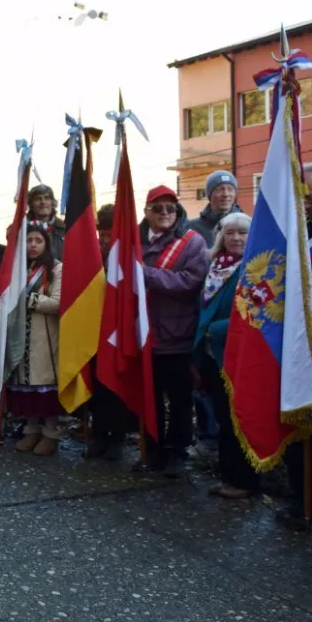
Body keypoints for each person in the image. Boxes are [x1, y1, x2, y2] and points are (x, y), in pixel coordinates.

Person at [139, 185, 208, 477]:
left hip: (177, 332)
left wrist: (147, 273)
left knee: (179, 398)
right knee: (149, 397)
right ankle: (152, 449)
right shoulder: (134, 241)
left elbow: (190, 283)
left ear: (178, 211)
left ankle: (177, 452)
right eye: (158, 208)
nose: (164, 213)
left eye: (170, 208)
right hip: (143, 334)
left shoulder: (192, 242)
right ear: (147, 212)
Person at [192, 212, 258, 500]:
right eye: (230, 233)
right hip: (211, 355)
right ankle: (228, 476)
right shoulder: (215, 266)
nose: (236, 238)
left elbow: (256, 314)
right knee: (222, 417)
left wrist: (215, 330)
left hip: (238, 355)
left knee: (237, 420)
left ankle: (245, 480)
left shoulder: (256, 269)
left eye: (243, 233)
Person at [84, 204, 137, 461]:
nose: (105, 240)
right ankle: (99, 434)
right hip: (94, 328)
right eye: (102, 235)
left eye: (109, 234)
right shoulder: (91, 255)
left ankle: (118, 437)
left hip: (119, 330)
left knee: (117, 385)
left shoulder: (128, 253)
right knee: (97, 384)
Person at [9, 224, 64, 456]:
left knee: (43, 387)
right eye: (29, 240)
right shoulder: (17, 268)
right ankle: (31, 430)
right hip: (21, 335)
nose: (33, 245)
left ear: (46, 243)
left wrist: (30, 300)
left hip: (45, 338)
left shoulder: (57, 269)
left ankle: (51, 433)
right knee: (25, 386)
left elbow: (58, 302)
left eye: (38, 241)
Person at [187, 170, 243, 247]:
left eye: (230, 189)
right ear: (210, 195)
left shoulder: (248, 226)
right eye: (220, 189)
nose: (226, 194)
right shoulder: (192, 228)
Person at [26, 184, 66, 260]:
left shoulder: (64, 228)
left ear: (52, 202)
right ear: (31, 204)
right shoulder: (22, 229)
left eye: (47, 198)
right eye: (38, 199)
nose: (43, 202)